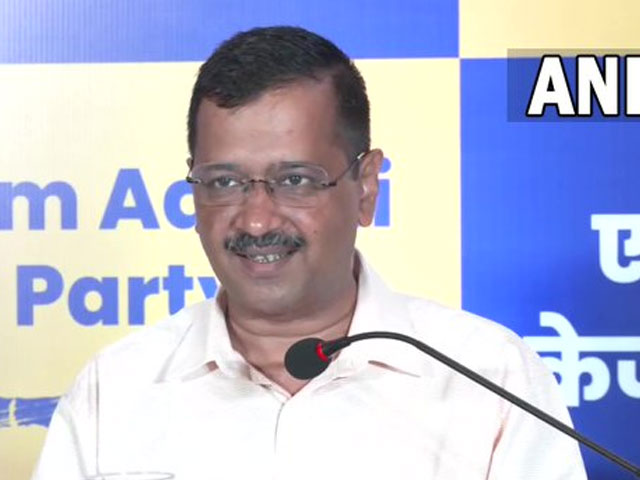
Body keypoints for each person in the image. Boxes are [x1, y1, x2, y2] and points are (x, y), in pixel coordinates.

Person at [32, 26, 587, 480]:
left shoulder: (489, 379)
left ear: (366, 186)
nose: (256, 220)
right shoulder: (116, 389)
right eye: (224, 182)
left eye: (295, 180)